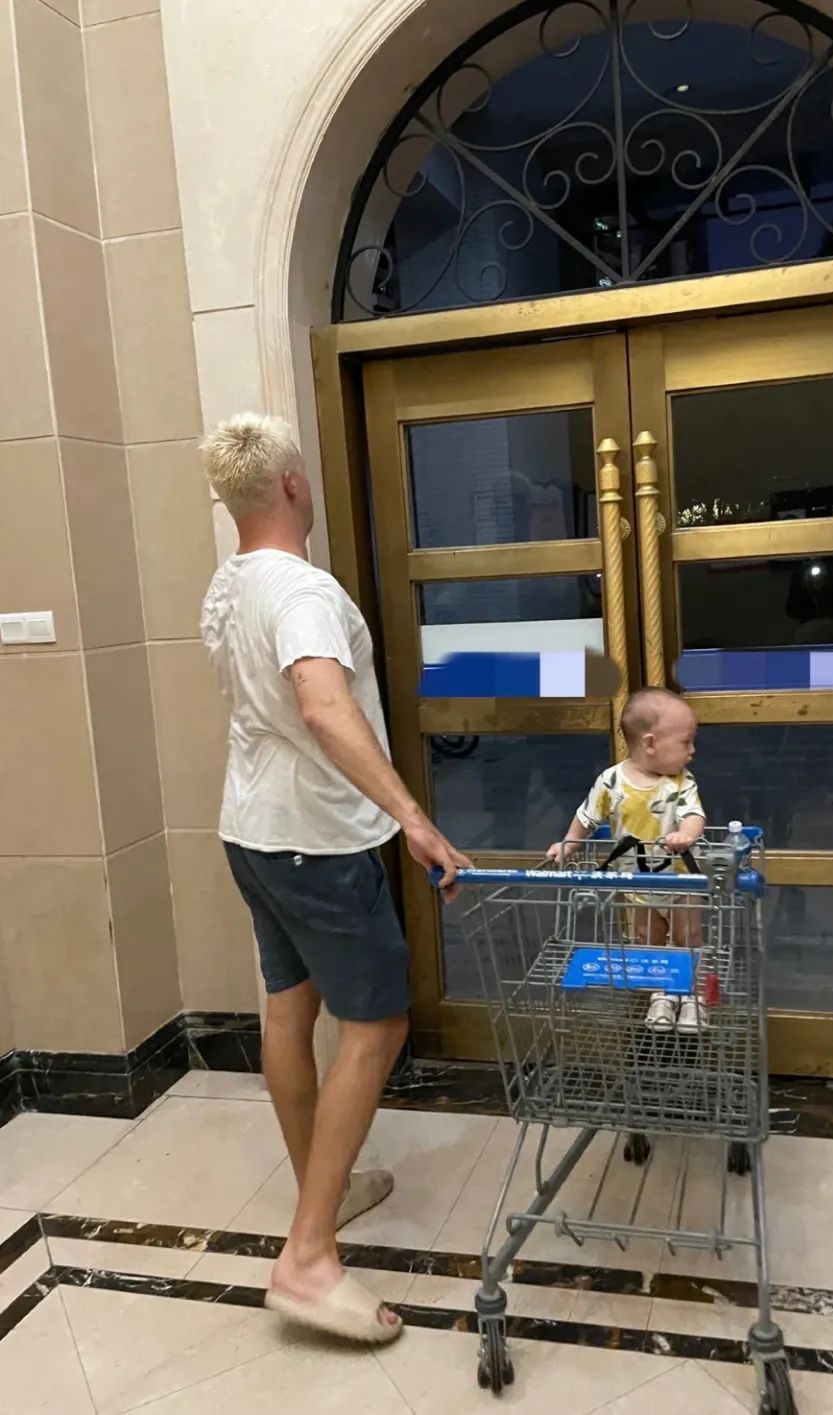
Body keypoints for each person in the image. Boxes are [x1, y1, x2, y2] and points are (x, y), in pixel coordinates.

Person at [199, 412, 469, 1345]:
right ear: (292, 483)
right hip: (315, 843)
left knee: (290, 1006)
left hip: (253, 831)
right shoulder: (304, 592)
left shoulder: (229, 586)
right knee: (378, 1022)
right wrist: (414, 818)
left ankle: (330, 1185)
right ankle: (308, 1257)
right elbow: (321, 704)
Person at [547, 687, 707, 1033]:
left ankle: (692, 997)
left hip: (681, 880)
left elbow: (695, 815)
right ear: (650, 743)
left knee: (688, 935)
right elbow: (586, 816)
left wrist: (687, 834)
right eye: (686, 742)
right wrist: (569, 844)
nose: (692, 750)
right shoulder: (611, 781)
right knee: (648, 939)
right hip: (636, 884)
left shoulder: (681, 782)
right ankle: (662, 995)